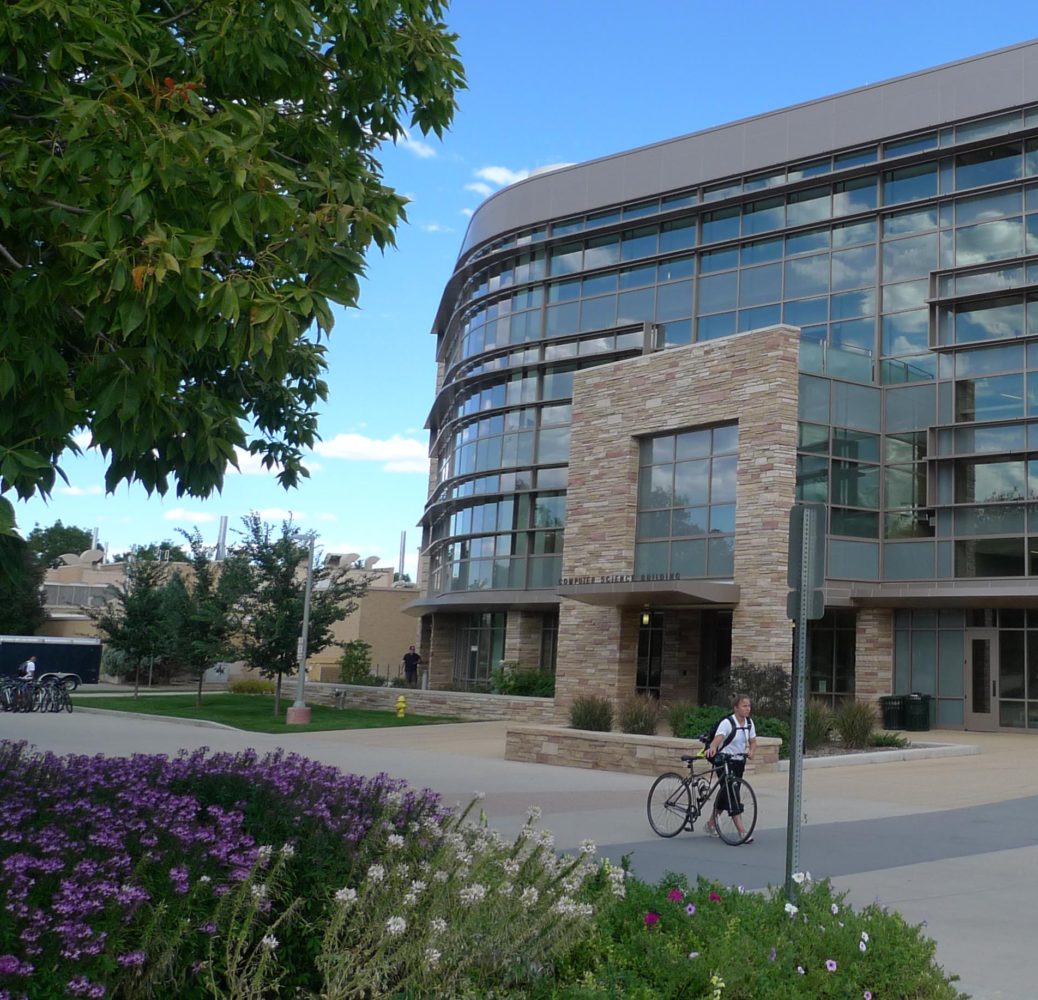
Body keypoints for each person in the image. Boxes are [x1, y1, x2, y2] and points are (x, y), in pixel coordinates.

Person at [704, 693, 757, 842]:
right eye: (744, 706)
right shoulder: (727, 723)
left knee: (726, 793)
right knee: (732, 794)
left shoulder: (749, 723)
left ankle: (710, 823)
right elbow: (717, 740)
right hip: (724, 761)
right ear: (735, 708)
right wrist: (712, 748)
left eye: (749, 706)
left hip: (739, 762)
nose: (748, 709)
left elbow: (753, 742)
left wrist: (751, 751)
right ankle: (742, 832)